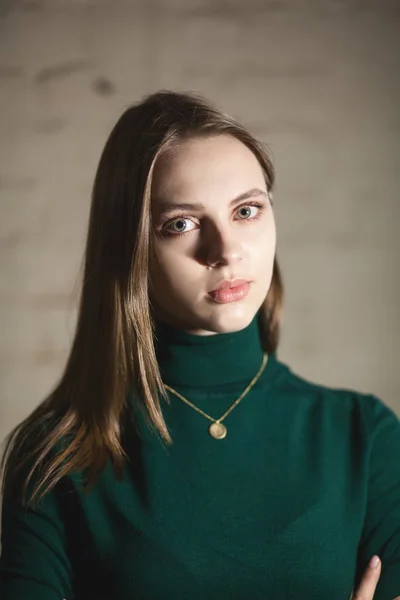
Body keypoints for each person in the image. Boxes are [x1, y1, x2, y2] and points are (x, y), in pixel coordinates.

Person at [0, 91, 399, 600]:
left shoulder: (365, 439)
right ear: (131, 247)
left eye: (246, 210)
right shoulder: (57, 456)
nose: (226, 250)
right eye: (182, 224)